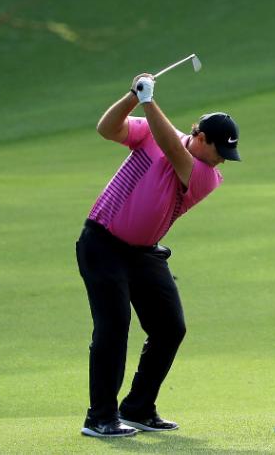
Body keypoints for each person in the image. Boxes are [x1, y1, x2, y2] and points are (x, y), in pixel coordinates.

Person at [76, 73, 240, 438]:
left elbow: (172, 149)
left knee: (170, 327)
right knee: (113, 328)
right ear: (201, 139)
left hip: (143, 254)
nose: (224, 161)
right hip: (102, 244)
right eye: (221, 152)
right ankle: (99, 418)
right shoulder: (152, 132)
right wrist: (133, 96)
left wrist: (150, 102)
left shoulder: (204, 175)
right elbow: (107, 129)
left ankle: (137, 407)